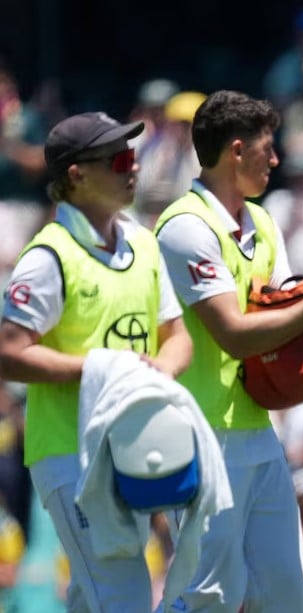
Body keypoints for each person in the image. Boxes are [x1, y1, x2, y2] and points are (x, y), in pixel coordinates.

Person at [153, 90, 303, 612]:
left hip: (259, 434)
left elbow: (290, 321)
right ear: (236, 151)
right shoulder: (185, 227)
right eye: (267, 148)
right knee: (206, 595)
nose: (276, 160)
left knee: (285, 595)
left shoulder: (262, 222)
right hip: (200, 434)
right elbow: (235, 333)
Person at [0, 111, 192, 611]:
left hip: (130, 451)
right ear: (76, 176)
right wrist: (104, 368)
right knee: (122, 595)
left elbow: (178, 337)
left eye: (132, 156)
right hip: (69, 453)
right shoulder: (49, 256)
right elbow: (8, 353)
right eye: (118, 159)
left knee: (95, 597)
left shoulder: (145, 245)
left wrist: (159, 373)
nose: (133, 167)